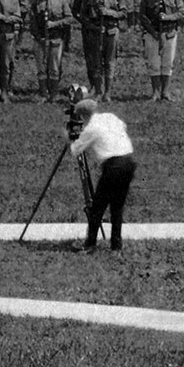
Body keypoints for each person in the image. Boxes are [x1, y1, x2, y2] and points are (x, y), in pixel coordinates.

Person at [68, 98, 137, 252]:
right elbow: (122, 126)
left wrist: (68, 136)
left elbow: (75, 150)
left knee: (97, 207)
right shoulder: (110, 117)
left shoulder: (91, 128)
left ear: (82, 116)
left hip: (113, 166)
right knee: (117, 207)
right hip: (128, 162)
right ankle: (116, 246)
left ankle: (90, 244)